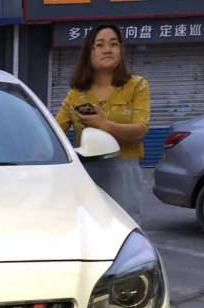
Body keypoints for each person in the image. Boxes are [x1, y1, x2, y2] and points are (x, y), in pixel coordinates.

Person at [56, 24, 150, 224]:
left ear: (121, 50)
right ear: (89, 52)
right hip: (86, 175)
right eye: (100, 45)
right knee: (88, 228)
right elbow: (55, 133)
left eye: (113, 44)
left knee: (125, 228)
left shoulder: (137, 86)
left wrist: (104, 124)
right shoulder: (76, 94)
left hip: (124, 173)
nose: (108, 49)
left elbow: (140, 130)